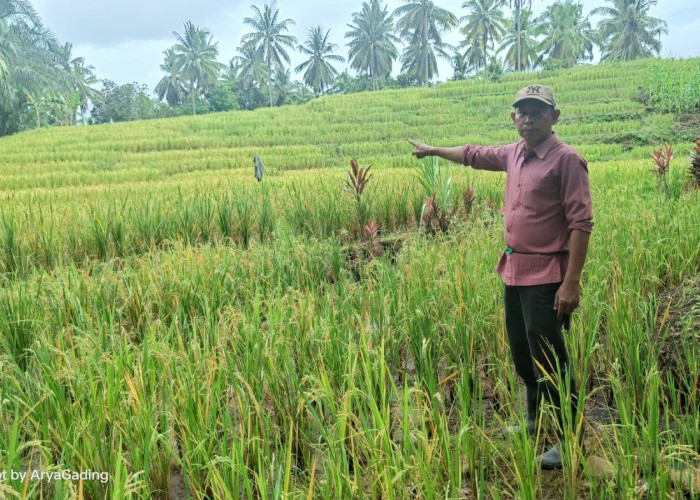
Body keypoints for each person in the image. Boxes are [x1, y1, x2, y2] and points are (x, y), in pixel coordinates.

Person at [408, 84, 593, 469]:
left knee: (550, 358)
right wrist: (433, 150)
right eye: (522, 111)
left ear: (554, 118)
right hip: (513, 269)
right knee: (523, 352)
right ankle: (532, 419)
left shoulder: (567, 160)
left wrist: (571, 282)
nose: (528, 117)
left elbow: (580, 223)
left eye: (538, 111)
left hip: (546, 275)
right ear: (513, 118)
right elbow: (474, 155)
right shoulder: (513, 154)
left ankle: (568, 439)